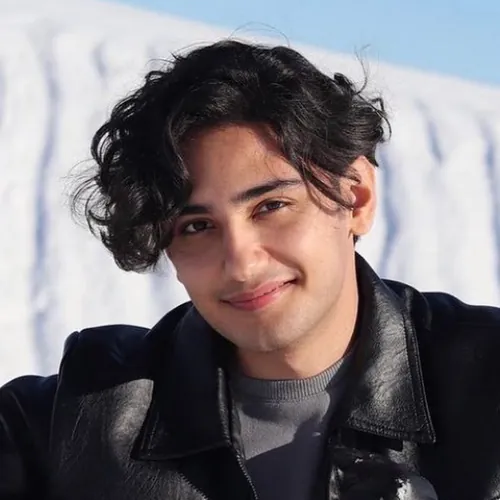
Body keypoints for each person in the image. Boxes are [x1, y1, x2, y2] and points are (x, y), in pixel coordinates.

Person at [2, 39, 498, 500]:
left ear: (356, 197)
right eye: (197, 226)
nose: (241, 263)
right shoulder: (64, 425)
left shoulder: (487, 385)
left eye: (271, 206)